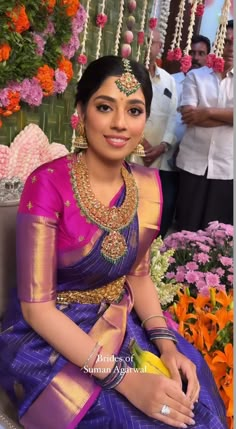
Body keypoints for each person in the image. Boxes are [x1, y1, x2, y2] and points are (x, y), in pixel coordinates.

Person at [0, 55, 227, 429]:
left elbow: (137, 274)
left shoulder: (148, 186)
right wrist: (126, 380)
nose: (120, 123)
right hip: (51, 342)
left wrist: (165, 344)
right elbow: (37, 310)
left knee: (191, 400)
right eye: (105, 107)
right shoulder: (47, 185)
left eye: (135, 110)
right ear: (81, 110)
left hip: (122, 321)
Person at [175, 21, 233, 231]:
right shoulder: (195, 76)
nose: (230, 47)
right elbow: (189, 116)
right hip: (193, 163)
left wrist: (207, 112)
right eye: (226, 41)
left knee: (217, 236)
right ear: (217, 42)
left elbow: (198, 114)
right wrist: (228, 117)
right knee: (186, 229)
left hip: (227, 168)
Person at [131, 28, 178, 238]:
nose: (150, 44)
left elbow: (174, 115)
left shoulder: (169, 80)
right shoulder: (127, 74)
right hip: (130, 154)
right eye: (146, 40)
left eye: (155, 42)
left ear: (160, 47)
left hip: (157, 159)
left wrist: (163, 145)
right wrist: (138, 142)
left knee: (151, 211)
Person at [170, 35, 211, 170]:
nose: (196, 58)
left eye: (201, 53)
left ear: (208, 57)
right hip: (163, 151)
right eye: (192, 53)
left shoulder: (211, 88)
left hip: (192, 158)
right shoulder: (170, 81)